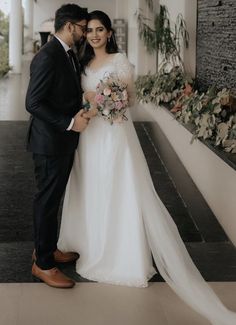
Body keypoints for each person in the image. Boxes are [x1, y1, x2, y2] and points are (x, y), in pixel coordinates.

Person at [58, 10, 236, 324]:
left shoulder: (120, 61)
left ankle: (119, 254)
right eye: (90, 31)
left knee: (117, 189)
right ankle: (89, 244)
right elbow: (80, 97)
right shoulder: (83, 63)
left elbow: (129, 99)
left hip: (113, 136)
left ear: (110, 33)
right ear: (85, 35)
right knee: (92, 188)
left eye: (101, 30)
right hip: (89, 139)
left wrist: (101, 102)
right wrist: (87, 101)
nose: (95, 35)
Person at [25, 4, 89, 288]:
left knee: (53, 200)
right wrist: (68, 123)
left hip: (60, 141)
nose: (85, 32)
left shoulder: (67, 53)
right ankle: (43, 265)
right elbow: (33, 102)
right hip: (49, 142)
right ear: (69, 26)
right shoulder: (49, 55)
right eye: (83, 27)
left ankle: (46, 249)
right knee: (47, 202)